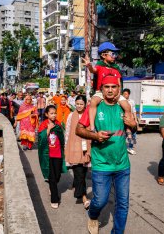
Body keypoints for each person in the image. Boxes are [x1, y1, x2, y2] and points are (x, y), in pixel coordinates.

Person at [76, 75, 137, 234]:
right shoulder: (94, 108)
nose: (110, 90)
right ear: (101, 90)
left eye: (113, 87)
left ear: (119, 89)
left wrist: (133, 125)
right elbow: (79, 130)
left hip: (122, 165)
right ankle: (93, 214)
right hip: (101, 164)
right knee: (100, 200)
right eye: (106, 87)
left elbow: (133, 126)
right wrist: (95, 136)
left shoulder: (123, 107)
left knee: (123, 204)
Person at [83, 41, 132, 133]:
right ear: (103, 55)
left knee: (127, 106)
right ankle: (92, 127)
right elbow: (93, 70)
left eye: (115, 54)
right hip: (100, 93)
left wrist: (119, 94)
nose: (115, 56)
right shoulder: (99, 66)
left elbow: (119, 83)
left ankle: (128, 127)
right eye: (112, 53)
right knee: (93, 102)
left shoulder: (116, 68)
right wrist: (89, 66)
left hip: (115, 93)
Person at [64, 95, 91, 209]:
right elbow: (68, 131)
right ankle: (84, 197)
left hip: (86, 147)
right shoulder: (71, 116)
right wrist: (66, 146)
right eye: (77, 104)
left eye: (81, 104)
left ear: (85, 104)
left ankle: (76, 185)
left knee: (83, 172)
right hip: (74, 146)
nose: (79, 106)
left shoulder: (89, 115)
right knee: (79, 173)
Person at [38, 105, 67, 209]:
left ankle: (51, 185)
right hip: (48, 155)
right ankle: (54, 199)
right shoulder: (43, 125)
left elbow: (62, 137)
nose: (54, 115)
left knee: (58, 175)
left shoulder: (58, 124)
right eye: (51, 113)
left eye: (55, 113)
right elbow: (40, 140)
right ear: (46, 114)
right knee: (52, 177)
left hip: (58, 154)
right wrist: (48, 130)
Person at [122, 88, 137, 155]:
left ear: (129, 94)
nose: (125, 95)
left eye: (126, 94)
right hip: (124, 120)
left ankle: (130, 148)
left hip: (131, 120)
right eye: (124, 94)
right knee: (125, 134)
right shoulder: (120, 102)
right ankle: (123, 148)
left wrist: (135, 120)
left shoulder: (132, 101)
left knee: (133, 135)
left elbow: (134, 111)